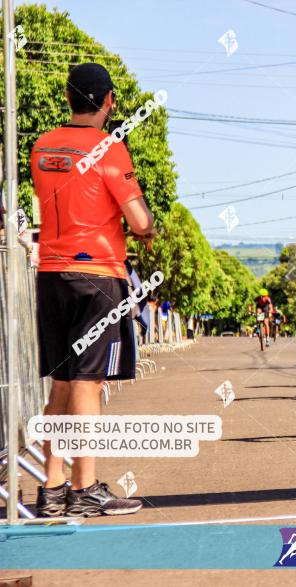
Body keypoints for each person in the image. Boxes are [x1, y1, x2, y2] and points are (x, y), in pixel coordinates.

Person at [31, 63, 151, 517]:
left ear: (66, 97)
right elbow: (139, 221)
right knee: (87, 384)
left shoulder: (41, 147)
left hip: (51, 274)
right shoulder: (110, 148)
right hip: (98, 276)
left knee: (61, 383)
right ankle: (84, 488)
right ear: (108, 101)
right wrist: (147, 228)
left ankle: (53, 487)